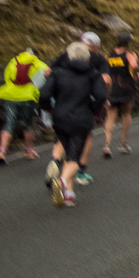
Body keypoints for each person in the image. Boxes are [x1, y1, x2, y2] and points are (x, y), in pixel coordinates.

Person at [38, 42, 107, 207]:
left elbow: (44, 94)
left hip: (60, 118)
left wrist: (49, 109)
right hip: (81, 118)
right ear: (87, 57)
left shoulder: (57, 73)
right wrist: (93, 109)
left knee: (67, 151)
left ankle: (69, 194)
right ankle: (62, 183)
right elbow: (101, 95)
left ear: (68, 55)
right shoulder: (93, 74)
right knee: (74, 157)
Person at [0, 47, 50, 164]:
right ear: (35, 55)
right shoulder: (37, 63)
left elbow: (7, 77)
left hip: (11, 96)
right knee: (28, 123)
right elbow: (47, 74)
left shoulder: (14, 61)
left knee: (9, 123)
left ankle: (2, 151)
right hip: (28, 97)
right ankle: (29, 151)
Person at [103, 33, 139, 157]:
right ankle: (123, 144)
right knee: (126, 114)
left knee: (110, 116)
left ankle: (107, 145)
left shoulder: (109, 55)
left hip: (112, 88)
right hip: (126, 87)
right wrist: (136, 74)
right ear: (128, 43)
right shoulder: (129, 54)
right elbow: (134, 65)